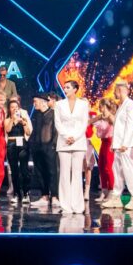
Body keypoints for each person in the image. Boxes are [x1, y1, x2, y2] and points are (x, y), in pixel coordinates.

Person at [103, 81, 133, 210]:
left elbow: (130, 125)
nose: (114, 93)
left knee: (130, 171)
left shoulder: (130, 105)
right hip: (119, 145)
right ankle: (116, 198)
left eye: (115, 91)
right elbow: (118, 127)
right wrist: (115, 144)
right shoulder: (122, 106)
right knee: (117, 171)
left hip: (127, 145)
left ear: (120, 90)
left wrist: (125, 143)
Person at [54, 80, 89, 215]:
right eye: (64, 87)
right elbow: (58, 123)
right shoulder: (59, 104)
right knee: (64, 174)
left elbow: (84, 123)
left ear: (75, 89)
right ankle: (66, 206)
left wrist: (75, 137)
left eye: (68, 87)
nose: (65, 89)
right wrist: (66, 136)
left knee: (77, 174)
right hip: (64, 143)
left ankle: (77, 205)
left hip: (78, 142)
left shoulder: (83, 104)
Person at [29, 92, 57, 208]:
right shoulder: (36, 114)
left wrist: (53, 145)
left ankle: (54, 196)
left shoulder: (53, 114)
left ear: (43, 102)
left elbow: (55, 131)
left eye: (35, 101)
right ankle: (44, 196)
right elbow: (34, 131)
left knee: (52, 172)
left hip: (49, 147)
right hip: (37, 148)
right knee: (40, 172)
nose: (34, 104)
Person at [4, 97, 32, 205]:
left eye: (16, 107)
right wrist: (13, 119)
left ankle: (25, 193)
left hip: (22, 144)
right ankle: (16, 193)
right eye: (12, 107)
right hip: (11, 145)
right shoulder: (7, 119)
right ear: (9, 109)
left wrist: (24, 123)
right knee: (14, 171)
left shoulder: (23, 119)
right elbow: (8, 129)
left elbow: (28, 133)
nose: (14, 109)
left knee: (24, 170)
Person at [93, 99, 116, 203]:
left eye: (101, 106)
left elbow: (116, 126)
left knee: (108, 167)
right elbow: (91, 123)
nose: (99, 108)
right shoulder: (101, 117)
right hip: (103, 142)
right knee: (101, 167)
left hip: (110, 142)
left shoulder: (111, 117)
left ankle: (111, 190)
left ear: (105, 106)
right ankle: (104, 190)